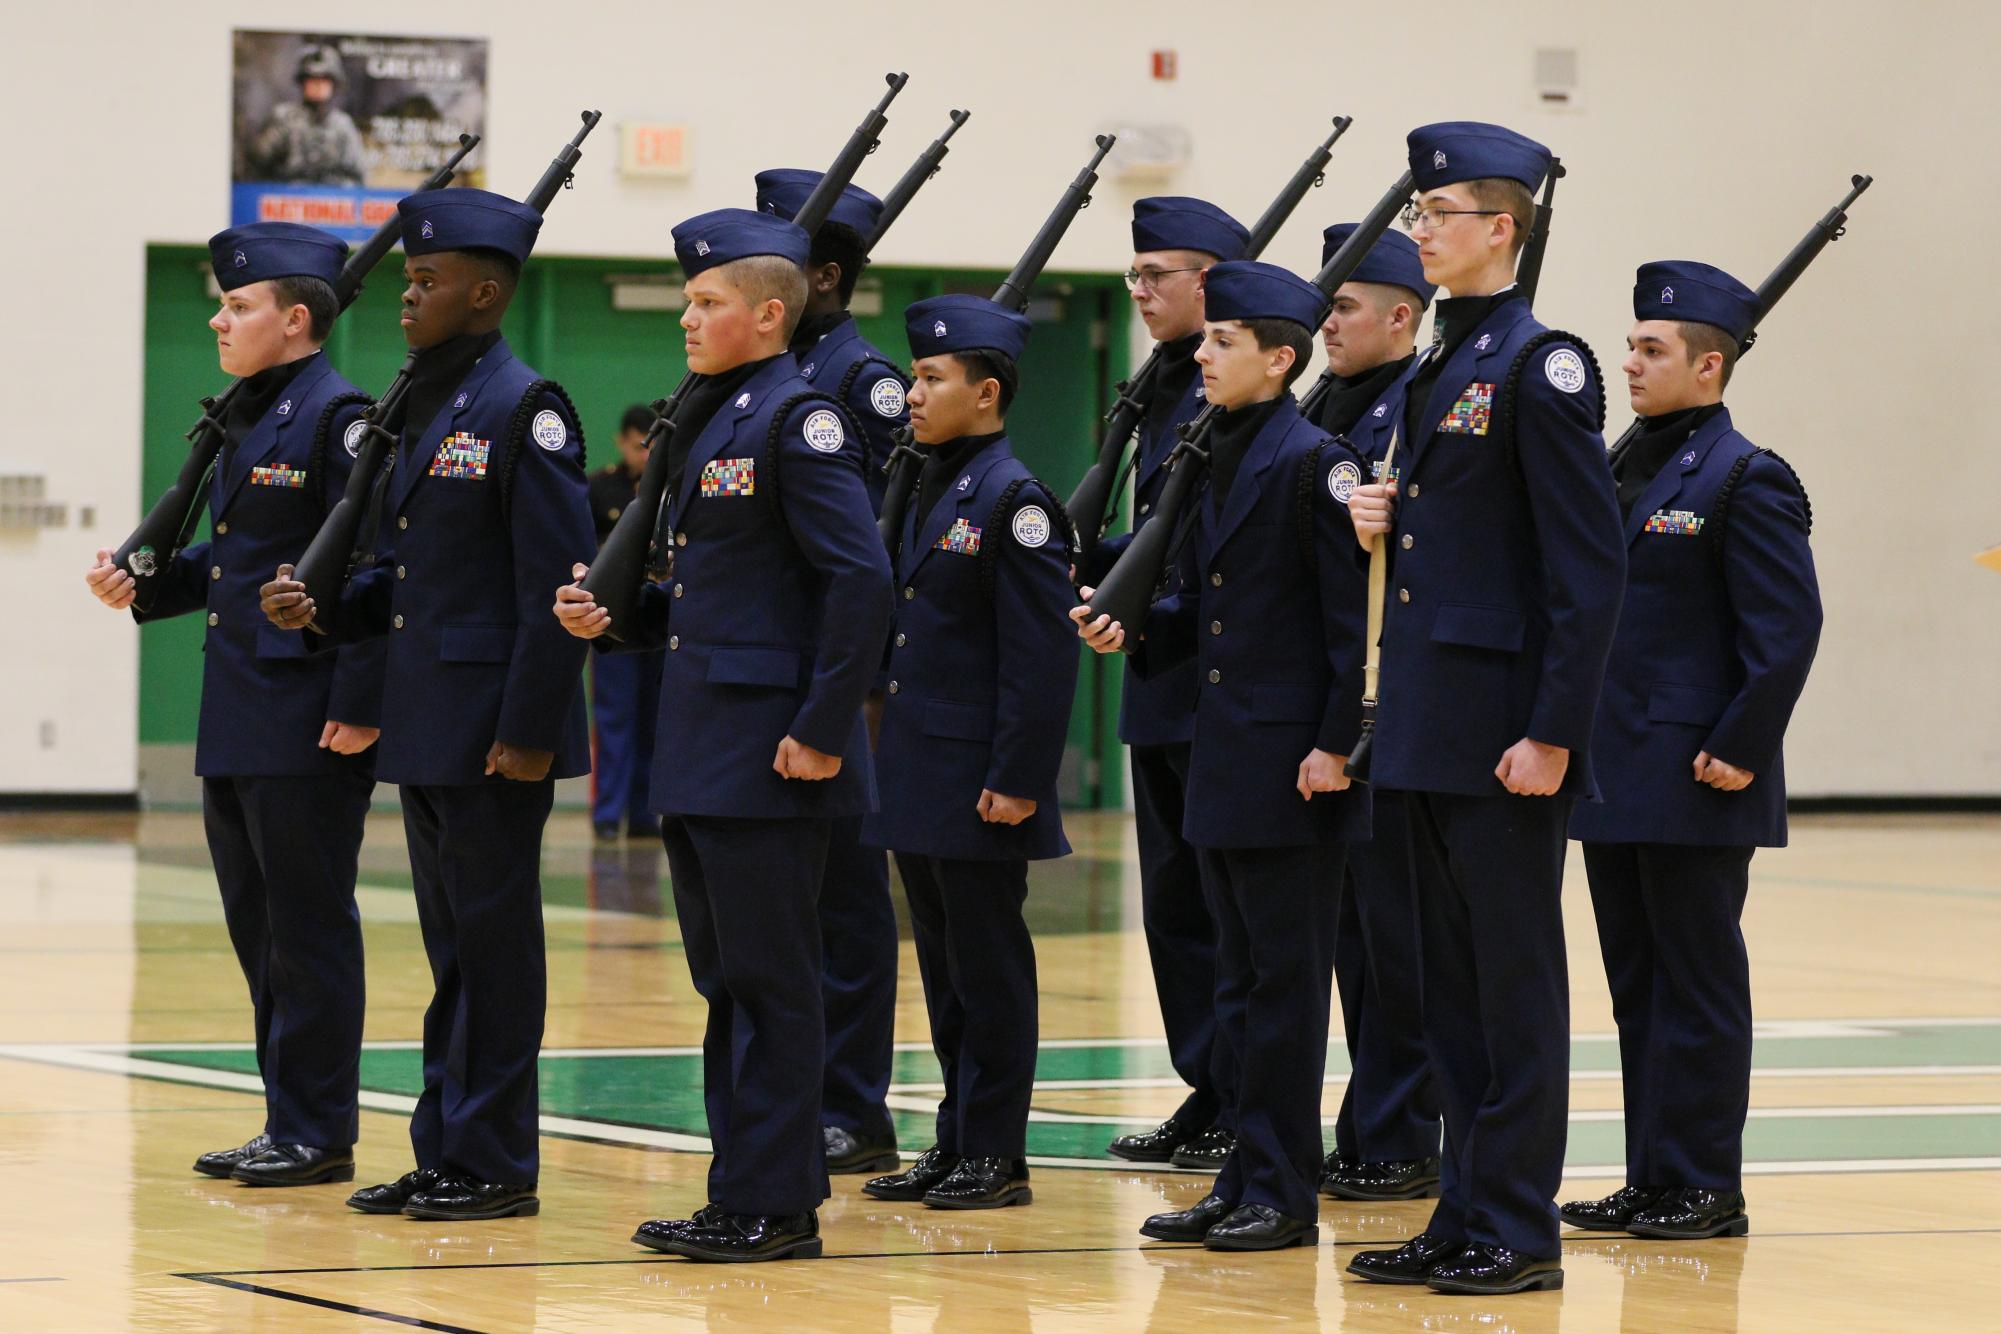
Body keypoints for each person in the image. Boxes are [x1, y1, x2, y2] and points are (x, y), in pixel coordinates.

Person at [554, 208, 891, 1263]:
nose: (689, 319)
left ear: (770, 312)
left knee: (771, 980)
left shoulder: (800, 420)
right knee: (727, 981)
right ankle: (739, 1186)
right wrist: (616, 617)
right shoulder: (714, 419)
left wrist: (824, 726)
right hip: (705, 741)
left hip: (772, 751)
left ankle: (778, 1201)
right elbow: (719, 594)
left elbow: (860, 578)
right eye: (689, 302)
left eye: (706, 303)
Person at [260, 187, 595, 1222]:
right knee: (453, 950)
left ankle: (495, 1158)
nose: (406, 296)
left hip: (494, 727)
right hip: (430, 718)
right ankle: (445, 1143)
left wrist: (531, 731)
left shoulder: (521, 404)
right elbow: (408, 582)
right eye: (406, 278)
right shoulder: (424, 399)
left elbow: (553, 585)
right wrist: (318, 610)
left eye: (427, 280)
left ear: (484, 292)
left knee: (495, 950)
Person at [1342, 122, 1625, 1295]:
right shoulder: (1441, 366)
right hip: (1426, 722)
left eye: (1436, 214)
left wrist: (1554, 727)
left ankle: (1519, 1223)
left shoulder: (1540, 363)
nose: (1420, 232)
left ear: (1499, 229)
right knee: (1444, 987)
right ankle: (1463, 1209)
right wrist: (1385, 517)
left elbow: (1586, 564)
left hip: (1504, 731)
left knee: (1510, 988)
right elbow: (1461, 545)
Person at [1075, 259, 1370, 1251]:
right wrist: (1140, 631)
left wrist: (1339, 743)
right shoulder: (1218, 447)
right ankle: (1240, 1172)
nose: (1201, 352)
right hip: (1224, 752)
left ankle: (1283, 1190)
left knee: (1283, 986)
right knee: (1237, 981)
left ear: (1279, 358)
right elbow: (1210, 600)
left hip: (1292, 762)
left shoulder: (1312, 459)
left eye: (1223, 341)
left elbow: (1347, 627)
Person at [86, 222, 378, 1189]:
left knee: (308, 927)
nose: (219, 318)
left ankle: (319, 1130)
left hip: (304, 710)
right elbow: (244, 562)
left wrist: (360, 697)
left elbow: (374, 571)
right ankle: (284, 1118)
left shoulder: (340, 417)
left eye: (238, 305)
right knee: (259, 929)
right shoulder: (250, 416)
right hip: (242, 705)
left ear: (295, 320)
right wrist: (151, 584)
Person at [1559, 261, 1821, 1241]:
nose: (1628, 360)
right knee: (1639, 986)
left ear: (1709, 367)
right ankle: (1650, 1174)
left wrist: (1741, 745)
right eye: (1630, 343)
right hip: (1615, 770)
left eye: (1651, 348)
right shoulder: (1628, 461)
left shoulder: (1745, 476)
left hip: (1699, 772)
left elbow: (1786, 629)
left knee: (1697, 985)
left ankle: (1706, 1180)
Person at [856, 294, 1078, 1210]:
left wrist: (1019, 780)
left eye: (932, 377)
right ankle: (954, 1140)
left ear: (985, 393)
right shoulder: (932, 486)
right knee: (945, 973)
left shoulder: (1013, 502)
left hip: (981, 778)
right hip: (921, 771)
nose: (912, 392)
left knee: (987, 971)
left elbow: (1039, 657)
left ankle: (996, 1151)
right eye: (915, 375)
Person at [1083, 198, 1248, 1173]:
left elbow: (1212, 552)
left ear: (1211, 280)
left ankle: (1241, 1093)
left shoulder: (1225, 393)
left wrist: (1143, 596)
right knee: (1176, 908)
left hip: (1213, 685)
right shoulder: (1155, 389)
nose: (1142, 292)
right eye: (1136, 277)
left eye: (1161, 275)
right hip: (1160, 680)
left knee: (1226, 913)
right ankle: (1207, 1082)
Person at [754, 168, 906, 1176]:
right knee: (782, 907)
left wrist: (864, 679)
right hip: (774, 667)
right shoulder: (760, 374)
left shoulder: (859, 383)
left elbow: (882, 536)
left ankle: (853, 1101)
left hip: (852, 674)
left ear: (825, 273)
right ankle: (794, 1092)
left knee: (846, 897)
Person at [1306, 224, 1443, 1203]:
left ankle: (1400, 1131)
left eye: (1345, 305)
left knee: (1402, 941)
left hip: (1396, 706)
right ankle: (1370, 1120)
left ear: (1402, 314)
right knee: (1355, 941)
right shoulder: (1322, 403)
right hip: (1336, 713)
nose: (1326, 323)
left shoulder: (1415, 408)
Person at [586, 404, 664, 841]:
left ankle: (642, 813)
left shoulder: (668, 490)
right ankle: (607, 813)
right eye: (638, 446)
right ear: (622, 441)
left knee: (652, 717)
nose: (645, 455)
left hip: (658, 616)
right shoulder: (600, 488)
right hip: (614, 617)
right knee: (615, 716)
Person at [248, 45, 367, 187]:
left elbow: (358, 176)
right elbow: (257, 162)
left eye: (324, 80)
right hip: (286, 197)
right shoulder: (283, 118)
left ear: (334, 84)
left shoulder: (343, 125)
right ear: (303, 83)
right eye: (312, 79)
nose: (318, 85)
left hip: (331, 200)